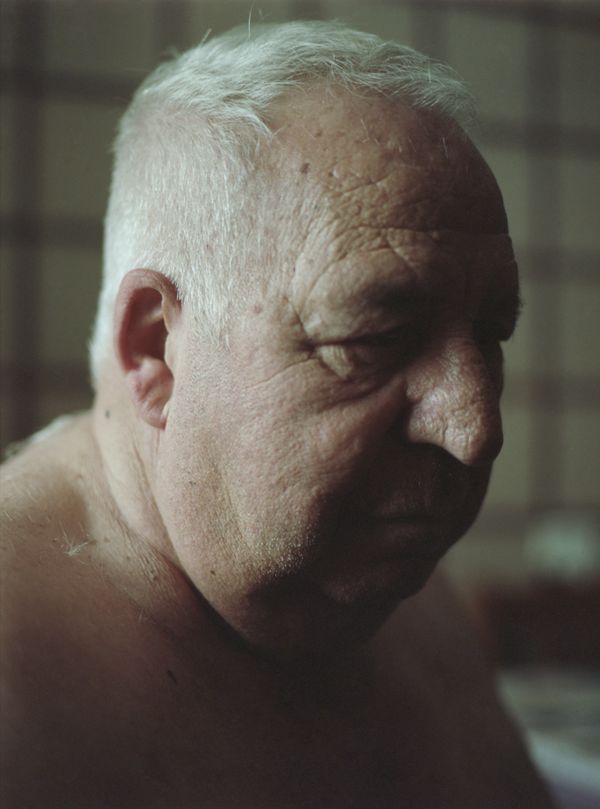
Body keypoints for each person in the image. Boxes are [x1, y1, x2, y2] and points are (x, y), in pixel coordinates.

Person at [0, 21, 553, 809]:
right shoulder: (20, 687)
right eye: (374, 337)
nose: (475, 431)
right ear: (157, 350)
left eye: (491, 333)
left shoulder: (408, 595)